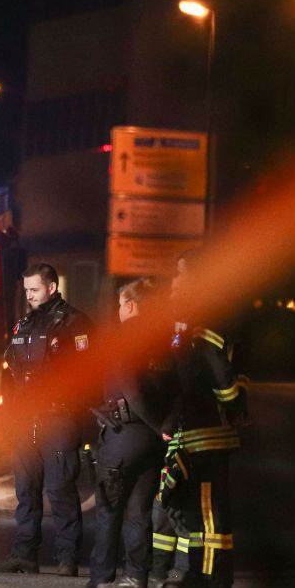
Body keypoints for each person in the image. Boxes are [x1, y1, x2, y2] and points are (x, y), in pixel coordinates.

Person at [149, 251, 246, 588]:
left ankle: (212, 576)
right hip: (197, 431)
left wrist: (227, 407)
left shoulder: (206, 321)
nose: (177, 281)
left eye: (182, 274)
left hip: (206, 433)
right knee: (198, 510)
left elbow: (220, 377)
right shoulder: (199, 319)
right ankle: (200, 571)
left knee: (208, 512)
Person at [0, 263, 94, 577]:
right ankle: (25, 554)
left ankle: (67, 558)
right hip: (26, 420)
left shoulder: (76, 324)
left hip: (59, 417)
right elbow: (10, 375)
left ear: (51, 287)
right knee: (25, 491)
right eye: (26, 291)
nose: (30, 296)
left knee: (61, 490)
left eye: (34, 290)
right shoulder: (23, 324)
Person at [88, 278, 174, 588]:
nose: (119, 310)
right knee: (140, 512)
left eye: (121, 304)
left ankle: (101, 577)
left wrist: (157, 426)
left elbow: (133, 391)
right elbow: (177, 389)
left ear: (132, 305)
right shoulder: (166, 339)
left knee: (109, 511)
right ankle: (136, 575)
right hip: (152, 442)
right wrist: (165, 427)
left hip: (124, 436)